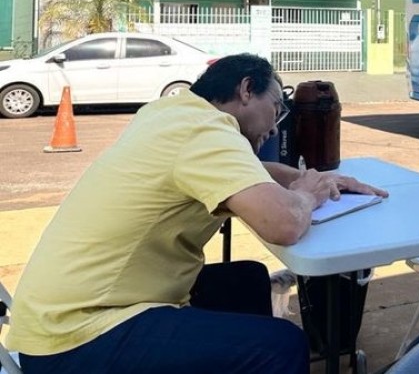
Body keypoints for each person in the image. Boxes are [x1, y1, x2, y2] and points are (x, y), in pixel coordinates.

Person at [8, 53, 388, 374]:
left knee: (247, 280)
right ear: (245, 90)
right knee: (281, 346)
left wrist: (312, 178)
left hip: (60, 313)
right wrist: (306, 195)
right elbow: (283, 224)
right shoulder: (204, 132)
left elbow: (249, 174)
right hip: (78, 337)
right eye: (276, 108)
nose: (275, 127)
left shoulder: (173, 113)